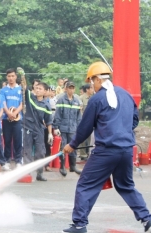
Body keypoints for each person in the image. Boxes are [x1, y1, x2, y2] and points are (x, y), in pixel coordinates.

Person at [61, 61, 151, 233]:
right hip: (126, 151)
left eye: (91, 82)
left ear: (96, 79)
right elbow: (134, 120)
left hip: (106, 152)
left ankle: (79, 224)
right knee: (126, 186)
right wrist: (121, 131)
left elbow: (85, 127)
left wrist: (72, 145)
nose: (91, 86)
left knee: (85, 185)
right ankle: (146, 217)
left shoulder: (96, 100)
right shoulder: (125, 95)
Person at [22, 80, 53, 181]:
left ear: (45, 91)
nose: (38, 90)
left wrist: (49, 134)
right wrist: (23, 76)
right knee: (27, 150)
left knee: (40, 152)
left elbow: (48, 121)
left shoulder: (47, 105)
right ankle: (27, 172)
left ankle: (40, 173)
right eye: (37, 88)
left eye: (40, 89)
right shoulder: (30, 97)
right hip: (28, 127)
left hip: (39, 129)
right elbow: (24, 87)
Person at [53, 81, 82, 177]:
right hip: (63, 128)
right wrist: (56, 127)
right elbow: (57, 115)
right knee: (63, 148)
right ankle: (62, 166)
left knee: (73, 147)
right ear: (66, 89)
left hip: (73, 128)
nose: (71, 89)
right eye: (69, 87)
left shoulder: (76, 101)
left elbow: (79, 116)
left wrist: (79, 127)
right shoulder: (61, 100)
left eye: (73, 88)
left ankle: (73, 166)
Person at [0, 68, 23, 167]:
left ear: (16, 77)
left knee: (18, 140)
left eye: (13, 76)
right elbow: (3, 103)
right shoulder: (3, 90)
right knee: (7, 140)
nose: (11, 78)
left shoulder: (21, 89)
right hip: (6, 118)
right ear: (6, 77)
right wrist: (9, 113)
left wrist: (15, 113)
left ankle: (18, 160)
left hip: (17, 119)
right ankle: (7, 160)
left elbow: (22, 104)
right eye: (9, 76)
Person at [78, 83, 94, 160]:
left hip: (91, 121)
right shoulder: (81, 98)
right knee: (83, 139)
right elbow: (80, 111)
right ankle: (83, 155)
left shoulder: (93, 98)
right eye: (91, 88)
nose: (92, 90)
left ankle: (88, 153)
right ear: (87, 89)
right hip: (83, 121)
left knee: (90, 139)